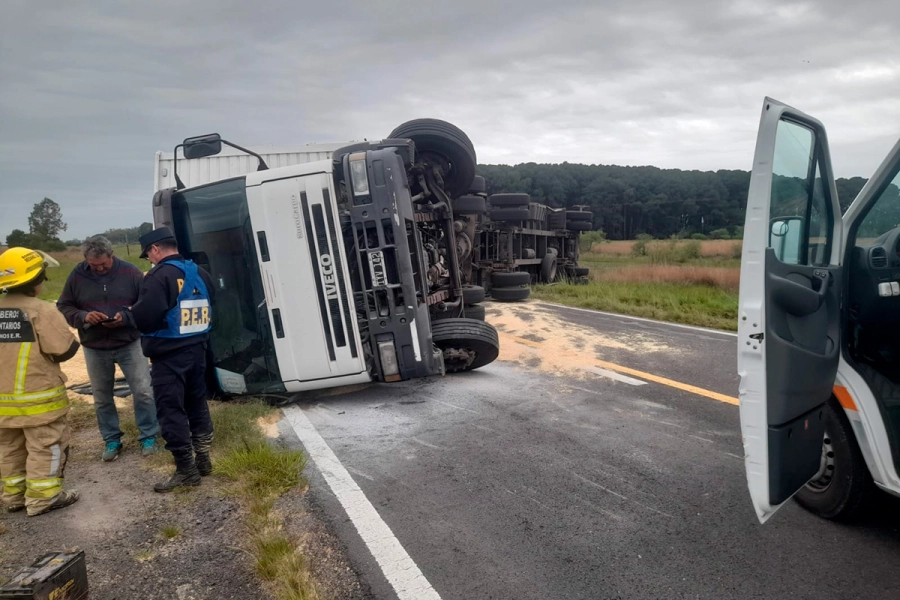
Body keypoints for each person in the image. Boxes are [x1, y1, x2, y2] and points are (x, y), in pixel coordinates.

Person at [56, 236, 160, 461]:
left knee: (143, 392)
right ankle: (112, 440)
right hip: (94, 346)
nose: (100, 268)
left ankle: (149, 437)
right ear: (86, 260)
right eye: (94, 265)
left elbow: (146, 305)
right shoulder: (77, 275)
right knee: (102, 397)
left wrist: (126, 316)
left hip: (129, 343)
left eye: (104, 263)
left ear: (112, 255)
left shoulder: (131, 273)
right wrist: (84, 316)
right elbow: (63, 305)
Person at [129, 227, 216, 492]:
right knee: (197, 404)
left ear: (155, 249)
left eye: (148, 255)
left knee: (170, 409)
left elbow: (145, 318)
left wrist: (130, 314)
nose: (149, 260)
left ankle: (186, 469)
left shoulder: (159, 276)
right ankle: (203, 459)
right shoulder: (200, 273)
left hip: (168, 355)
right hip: (198, 351)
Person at [0, 247, 81, 516]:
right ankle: (43, 498)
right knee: (46, 445)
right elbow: (64, 349)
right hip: (37, 399)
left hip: (2, 403)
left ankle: (14, 496)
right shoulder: (40, 310)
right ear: (36, 279)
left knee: (9, 447)